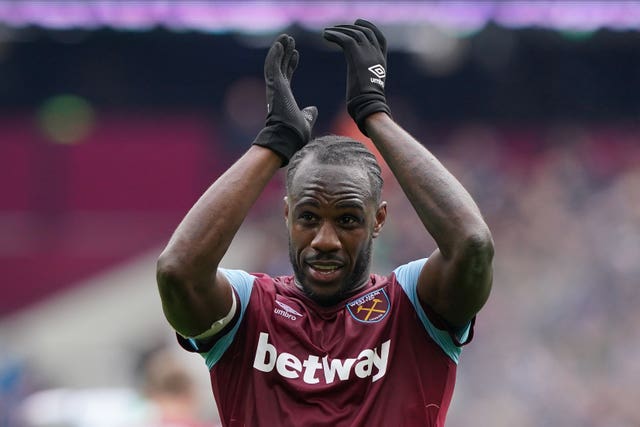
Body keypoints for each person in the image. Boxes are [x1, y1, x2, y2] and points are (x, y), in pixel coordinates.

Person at [156, 19, 493, 427]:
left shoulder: (413, 307)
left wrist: (375, 117)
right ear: (286, 215)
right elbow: (178, 271)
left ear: (378, 220)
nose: (325, 239)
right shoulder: (250, 310)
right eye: (308, 218)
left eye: (348, 219)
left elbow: (472, 246)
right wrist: (273, 143)